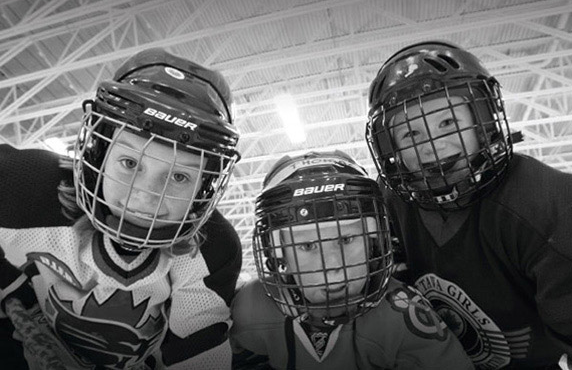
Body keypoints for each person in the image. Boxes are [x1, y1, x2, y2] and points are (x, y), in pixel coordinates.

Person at [0, 47, 242, 369]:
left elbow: (198, 355)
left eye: (180, 176)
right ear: (97, 152)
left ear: (204, 188)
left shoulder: (215, 249)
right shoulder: (21, 183)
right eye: (129, 162)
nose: (145, 197)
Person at [365, 40, 572, 369]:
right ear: (392, 151)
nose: (434, 145)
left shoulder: (543, 201)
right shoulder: (389, 204)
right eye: (410, 135)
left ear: (484, 120)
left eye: (447, 122)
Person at [230, 151, 474, 370]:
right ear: (277, 253)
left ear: (373, 242)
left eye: (346, 239)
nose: (332, 265)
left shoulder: (401, 315)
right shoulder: (250, 309)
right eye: (307, 245)